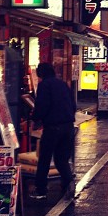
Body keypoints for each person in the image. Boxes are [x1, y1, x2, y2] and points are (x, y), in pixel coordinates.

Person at [30, 63, 76, 200]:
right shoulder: (62, 84)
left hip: (53, 127)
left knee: (44, 158)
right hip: (68, 126)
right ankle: (68, 181)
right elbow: (73, 104)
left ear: (41, 73)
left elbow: (42, 106)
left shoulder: (44, 85)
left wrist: (36, 118)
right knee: (61, 159)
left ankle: (41, 190)